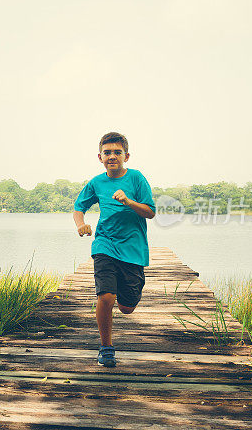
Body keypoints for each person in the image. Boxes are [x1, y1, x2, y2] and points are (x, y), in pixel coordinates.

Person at [72, 132, 156, 367]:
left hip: (133, 249)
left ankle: (124, 294)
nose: (112, 156)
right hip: (105, 245)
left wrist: (128, 201)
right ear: (100, 157)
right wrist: (81, 225)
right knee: (106, 296)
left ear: (126, 156)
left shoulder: (137, 179)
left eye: (117, 152)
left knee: (127, 308)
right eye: (107, 152)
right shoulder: (96, 182)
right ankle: (106, 347)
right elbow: (79, 208)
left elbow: (150, 212)